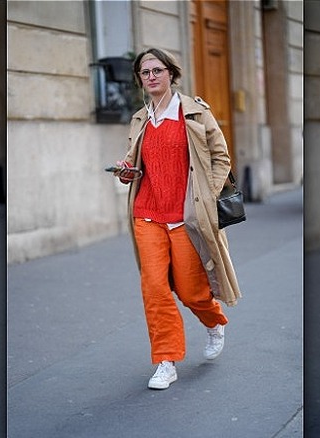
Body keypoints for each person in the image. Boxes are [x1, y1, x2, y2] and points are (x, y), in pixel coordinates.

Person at [110, 48, 242, 390]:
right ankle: (166, 361)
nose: (151, 77)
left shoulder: (195, 112)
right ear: (140, 79)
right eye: (145, 72)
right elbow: (134, 163)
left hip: (185, 216)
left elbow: (221, 158)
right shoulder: (140, 118)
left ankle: (214, 322)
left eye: (157, 70)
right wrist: (126, 172)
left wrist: (208, 196)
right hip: (147, 213)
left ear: (171, 73)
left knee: (191, 292)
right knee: (154, 289)